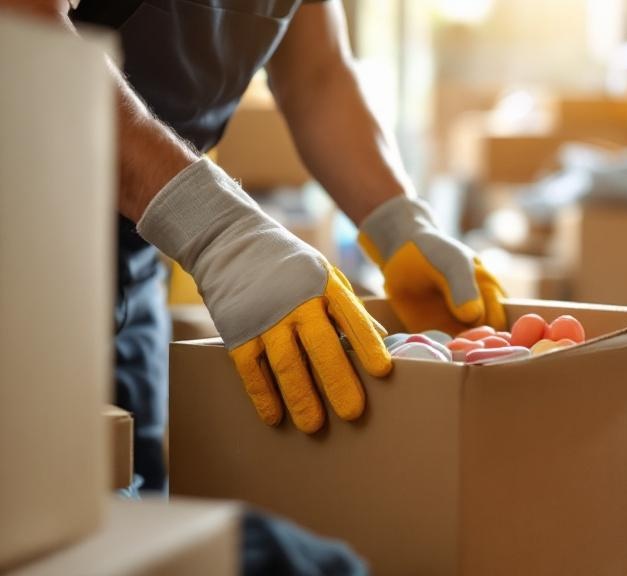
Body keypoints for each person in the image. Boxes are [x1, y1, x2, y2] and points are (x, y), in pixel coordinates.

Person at [4, 0, 505, 506]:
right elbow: (20, 29)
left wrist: (399, 225)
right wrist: (214, 228)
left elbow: (318, 74)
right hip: (21, 244)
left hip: (134, 247)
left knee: (138, 510)